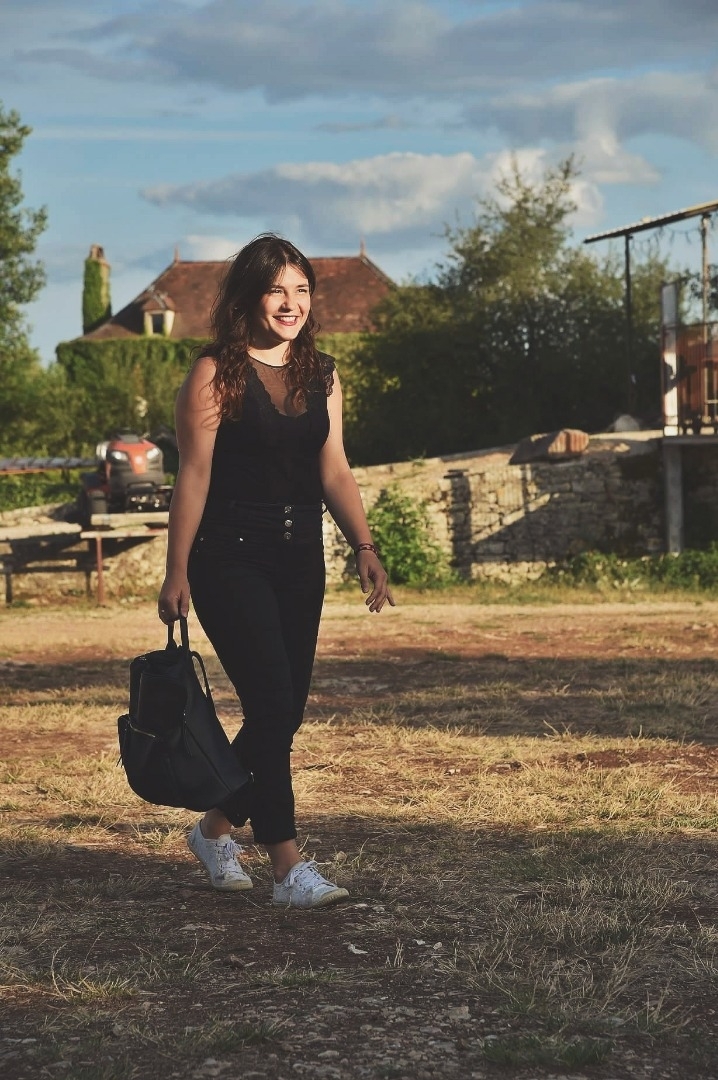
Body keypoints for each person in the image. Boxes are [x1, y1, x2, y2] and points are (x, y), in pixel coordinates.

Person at [157, 234, 394, 909]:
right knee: (269, 704)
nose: (291, 303)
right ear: (249, 298)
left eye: (301, 290)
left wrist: (364, 545)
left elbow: (334, 467)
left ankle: (214, 829)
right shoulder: (214, 373)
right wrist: (176, 571)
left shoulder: (323, 373)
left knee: (282, 713)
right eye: (276, 290)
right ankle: (288, 868)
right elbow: (193, 476)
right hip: (227, 557)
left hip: (300, 556)